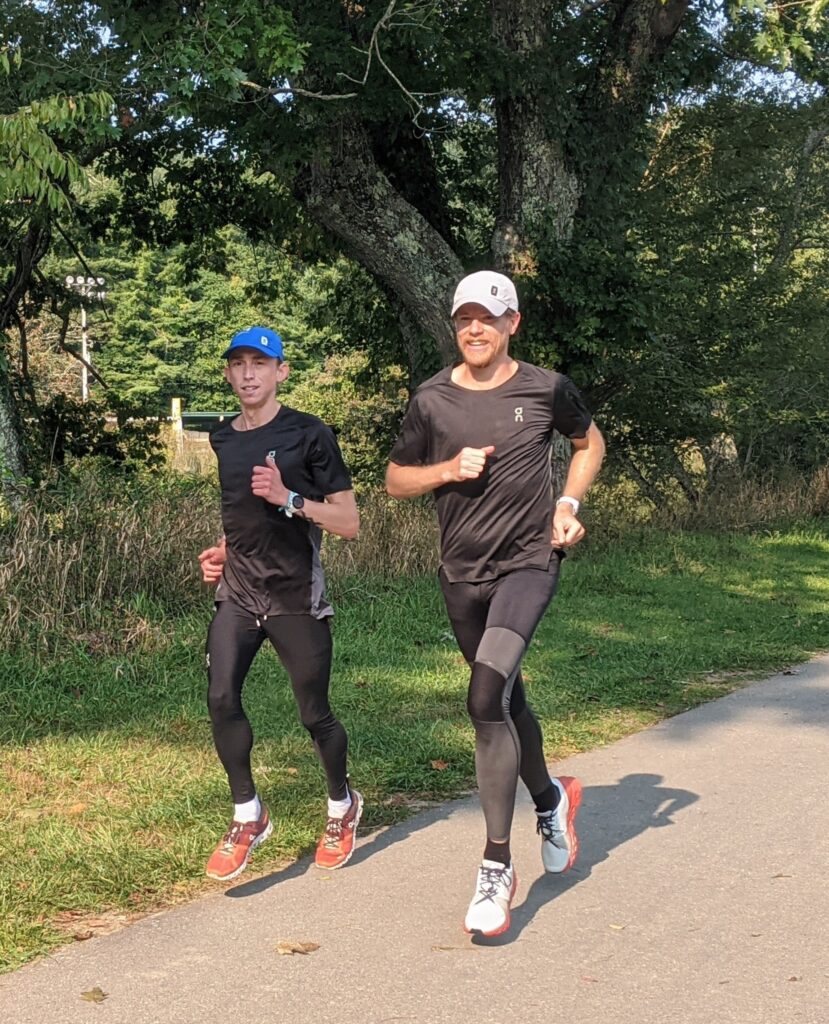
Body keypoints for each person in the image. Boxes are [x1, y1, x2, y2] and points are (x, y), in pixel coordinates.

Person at [385, 271, 605, 937]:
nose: (474, 329)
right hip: (461, 574)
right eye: (463, 319)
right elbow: (396, 480)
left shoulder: (544, 388)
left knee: (483, 698)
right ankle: (550, 797)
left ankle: (495, 865)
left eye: (488, 318)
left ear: (512, 323)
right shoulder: (430, 401)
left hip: (527, 564)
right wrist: (445, 471)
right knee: (507, 700)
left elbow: (587, 442)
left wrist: (566, 505)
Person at [197, 326, 363, 882]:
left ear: (280, 372)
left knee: (314, 714)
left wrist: (290, 498)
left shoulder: (310, 435)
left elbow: (349, 522)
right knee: (221, 696)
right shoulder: (223, 438)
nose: (248, 373)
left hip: (296, 596)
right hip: (240, 592)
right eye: (238, 363)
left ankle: (342, 805)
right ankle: (248, 814)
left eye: (259, 364)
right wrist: (219, 554)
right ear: (228, 373)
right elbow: (242, 521)